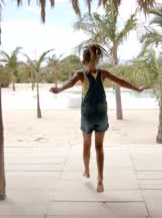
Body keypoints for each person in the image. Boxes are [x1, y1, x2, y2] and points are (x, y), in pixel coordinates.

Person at [49, 44, 144, 193]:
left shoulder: (81, 74)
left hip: (87, 115)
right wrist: (137, 89)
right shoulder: (103, 73)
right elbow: (121, 82)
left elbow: (70, 83)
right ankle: (100, 180)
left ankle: (87, 171)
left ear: (83, 62)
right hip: (101, 114)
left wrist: (59, 89)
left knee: (87, 145)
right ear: (97, 60)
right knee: (99, 147)